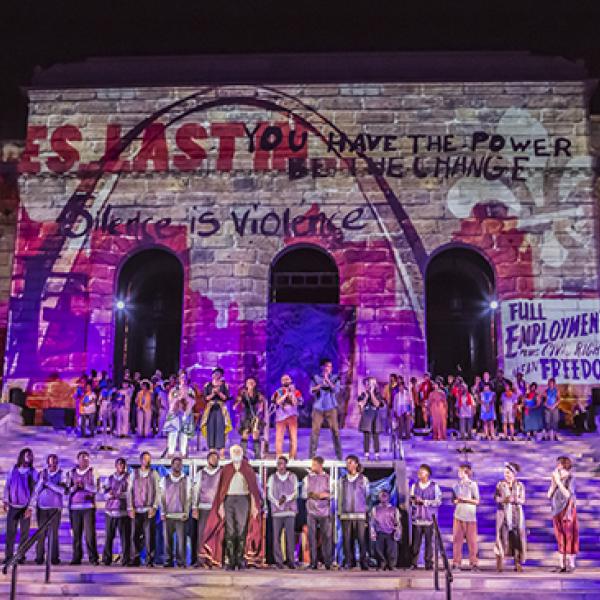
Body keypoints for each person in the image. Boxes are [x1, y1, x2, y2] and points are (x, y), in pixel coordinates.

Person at [201, 445, 263, 570]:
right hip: (229, 500)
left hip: (243, 499)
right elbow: (221, 490)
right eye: (234, 451)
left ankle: (240, 560)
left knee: (241, 530)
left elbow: (252, 489)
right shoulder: (227, 469)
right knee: (230, 530)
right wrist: (221, 506)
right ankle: (230, 560)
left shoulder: (247, 468)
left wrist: (254, 506)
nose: (236, 453)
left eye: (238, 451)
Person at [3, 448, 38, 565]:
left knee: (24, 533)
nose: (28, 458)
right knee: (10, 533)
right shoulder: (13, 469)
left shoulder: (33, 472)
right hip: (13, 506)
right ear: (22, 456)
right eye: (26, 455)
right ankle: (8, 556)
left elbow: (35, 491)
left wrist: (30, 507)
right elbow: (7, 485)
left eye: (30, 456)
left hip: (25, 507)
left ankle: (20, 555)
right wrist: (6, 500)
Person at [30, 453, 65, 565]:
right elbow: (36, 490)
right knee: (41, 533)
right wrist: (41, 482)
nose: (52, 465)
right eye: (50, 463)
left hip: (55, 508)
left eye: (54, 463)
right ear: (47, 463)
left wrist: (48, 484)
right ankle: (39, 557)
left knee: (54, 534)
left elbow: (63, 490)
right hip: (42, 507)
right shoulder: (42, 474)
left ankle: (54, 558)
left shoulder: (61, 474)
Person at [127, 451, 160, 567]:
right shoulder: (134, 473)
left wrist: (155, 506)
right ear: (140, 460)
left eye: (148, 459)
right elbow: (129, 491)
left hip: (148, 510)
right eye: (145, 459)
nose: (147, 461)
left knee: (149, 536)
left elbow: (158, 491)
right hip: (136, 509)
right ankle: (134, 558)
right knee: (134, 535)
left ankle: (150, 560)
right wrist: (130, 507)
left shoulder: (154, 473)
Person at [338, 455, 369, 570]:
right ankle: (349, 562)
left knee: (361, 539)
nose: (348, 465)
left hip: (359, 514)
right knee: (347, 540)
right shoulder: (342, 480)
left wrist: (366, 512)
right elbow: (340, 497)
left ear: (356, 464)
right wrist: (340, 512)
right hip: (346, 514)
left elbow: (367, 496)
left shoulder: (363, 479)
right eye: (347, 463)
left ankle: (363, 562)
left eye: (350, 462)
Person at [548, 456, 579, 573]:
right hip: (556, 510)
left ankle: (570, 564)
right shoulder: (557, 479)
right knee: (559, 536)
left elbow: (568, 494)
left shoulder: (571, 478)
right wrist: (554, 483)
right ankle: (562, 565)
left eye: (559, 464)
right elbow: (549, 494)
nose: (557, 466)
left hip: (567, 510)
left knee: (570, 536)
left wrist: (559, 482)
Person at [494, 462, 526, 572]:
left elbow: (523, 500)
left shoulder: (520, 486)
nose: (506, 475)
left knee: (517, 540)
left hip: (516, 515)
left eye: (508, 473)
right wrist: (504, 500)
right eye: (505, 473)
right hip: (504, 515)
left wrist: (515, 500)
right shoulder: (500, 485)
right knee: (502, 538)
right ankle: (500, 563)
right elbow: (496, 498)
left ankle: (518, 563)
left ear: (514, 473)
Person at [68, 450, 99, 565]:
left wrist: (85, 486)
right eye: (82, 459)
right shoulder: (72, 473)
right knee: (76, 534)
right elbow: (67, 490)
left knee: (90, 534)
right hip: (75, 507)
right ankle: (76, 557)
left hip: (88, 507)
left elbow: (96, 489)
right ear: (78, 460)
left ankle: (93, 558)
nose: (85, 461)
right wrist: (75, 487)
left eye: (86, 459)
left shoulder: (93, 472)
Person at [267, 456, 299, 569]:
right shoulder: (272, 477)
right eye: (278, 463)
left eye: (282, 463)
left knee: (290, 537)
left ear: (286, 465)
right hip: (277, 512)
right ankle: (278, 561)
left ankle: (291, 560)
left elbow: (295, 492)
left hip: (289, 511)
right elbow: (269, 494)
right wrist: (277, 502)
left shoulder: (292, 477)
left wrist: (287, 499)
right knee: (276, 537)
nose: (280, 466)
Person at [192, 450, 222, 568]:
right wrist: (195, 507)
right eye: (212, 458)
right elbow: (196, 491)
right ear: (208, 460)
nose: (214, 460)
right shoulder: (201, 474)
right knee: (202, 534)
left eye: (216, 458)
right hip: (203, 507)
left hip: (216, 508)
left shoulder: (221, 473)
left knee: (215, 535)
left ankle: (214, 559)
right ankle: (201, 560)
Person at [161, 456, 192, 568]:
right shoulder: (165, 479)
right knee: (167, 541)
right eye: (175, 464)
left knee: (181, 541)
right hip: (168, 514)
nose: (177, 466)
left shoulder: (186, 479)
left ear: (182, 466)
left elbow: (189, 497)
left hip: (181, 515)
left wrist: (186, 512)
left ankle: (181, 562)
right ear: (172, 465)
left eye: (179, 464)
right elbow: (162, 496)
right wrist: (162, 512)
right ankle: (168, 561)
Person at [410, 464, 442, 570]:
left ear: (427, 473)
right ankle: (413, 563)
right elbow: (411, 500)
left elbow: (438, 501)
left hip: (429, 518)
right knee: (415, 543)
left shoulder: (434, 486)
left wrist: (425, 502)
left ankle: (428, 563)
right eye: (419, 472)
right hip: (417, 519)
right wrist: (414, 502)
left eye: (422, 472)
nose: (420, 473)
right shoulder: (414, 486)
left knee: (429, 542)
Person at [302, 455, 332, 570]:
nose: (312, 466)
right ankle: (313, 562)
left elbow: (333, 494)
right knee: (311, 538)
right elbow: (303, 494)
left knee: (326, 537)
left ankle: (327, 562)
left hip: (324, 512)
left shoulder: (328, 478)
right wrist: (311, 495)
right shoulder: (307, 478)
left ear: (320, 465)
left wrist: (324, 495)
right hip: (311, 511)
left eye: (314, 464)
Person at [309, 359, 342, 460]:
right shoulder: (316, 378)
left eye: (330, 367)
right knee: (315, 431)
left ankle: (339, 456)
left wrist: (328, 381)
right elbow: (311, 390)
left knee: (335, 431)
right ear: (322, 367)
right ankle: (311, 456)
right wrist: (320, 385)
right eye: (327, 366)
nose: (329, 369)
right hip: (318, 408)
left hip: (331, 407)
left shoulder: (335, 378)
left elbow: (336, 390)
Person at [101, 457, 131, 566]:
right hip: (110, 512)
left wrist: (120, 495)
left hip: (123, 512)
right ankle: (106, 558)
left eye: (123, 465)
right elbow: (103, 494)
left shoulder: (129, 478)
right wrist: (110, 495)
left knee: (125, 538)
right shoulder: (109, 479)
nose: (121, 467)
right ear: (116, 466)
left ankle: (125, 559)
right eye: (119, 465)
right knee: (109, 536)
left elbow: (131, 493)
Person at [451, 463, 480, 571]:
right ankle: (456, 563)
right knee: (457, 540)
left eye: (460, 471)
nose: (459, 473)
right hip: (458, 515)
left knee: (472, 542)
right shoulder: (456, 485)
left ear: (466, 472)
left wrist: (465, 499)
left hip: (470, 516)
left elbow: (477, 501)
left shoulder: (473, 485)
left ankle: (474, 563)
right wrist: (457, 500)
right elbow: (453, 500)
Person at [200, 368, 232, 458]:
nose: (216, 375)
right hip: (210, 408)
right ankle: (212, 451)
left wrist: (219, 392)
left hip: (221, 408)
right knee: (211, 428)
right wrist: (213, 393)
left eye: (218, 374)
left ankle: (221, 451)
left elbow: (226, 398)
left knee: (221, 428)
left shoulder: (225, 385)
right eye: (214, 374)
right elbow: (205, 398)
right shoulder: (208, 385)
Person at [271, 374, 303, 460]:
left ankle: (292, 456)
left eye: (287, 379)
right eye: (284, 379)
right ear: (281, 382)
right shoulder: (279, 391)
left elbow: (297, 402)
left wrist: (292, 394)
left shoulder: (296, 391)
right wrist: (286, 394)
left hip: (292, 416)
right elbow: (277, 402)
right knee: (279, 438)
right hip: (281, 417)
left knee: (293, 438)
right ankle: (279, 457)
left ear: (290, 381)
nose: (286, 381)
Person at [165, 372, 197, 457]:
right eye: (182, 377)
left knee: (184, 434)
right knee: (173, 433)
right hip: (175, 413)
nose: (183, 379)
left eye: (185, 378)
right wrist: (178, 399)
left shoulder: (190, 390)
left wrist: (186, 399)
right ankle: (170, 453)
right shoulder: (174, 390)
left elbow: (193, 401)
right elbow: (170, 400)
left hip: (185, 414)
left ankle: (183, 453)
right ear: (179, 379)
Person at [234, 377, 267, 459]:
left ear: (255, 384)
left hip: (255, 414)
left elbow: (262, 403)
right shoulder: (243, 393)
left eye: (252, 382)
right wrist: (236, 405)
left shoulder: (258, 393)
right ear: (246, 384)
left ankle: (257, 456)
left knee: (256, 434)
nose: (251, 384)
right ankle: (243, 456)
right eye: (249, 382)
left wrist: (261, 408)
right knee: (245, 434)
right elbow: (238, 402)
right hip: (245, 415)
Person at [370, 490, 401, 571]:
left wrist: (397, 532)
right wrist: (372, 532)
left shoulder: (394, 509)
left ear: (389, 497)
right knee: (379, 550)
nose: (383, 497)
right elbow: (372, 521)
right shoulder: (375, 509)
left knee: (392, 550)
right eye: (381, 496)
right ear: (379, 497)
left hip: (391, 532)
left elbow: (397, 522)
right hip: (379, 532)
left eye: (385, 496)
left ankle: (392, 565)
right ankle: (382, 564)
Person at [357, 376, 385, 460]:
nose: (370, 385)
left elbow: (377, 404)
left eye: (373, 383)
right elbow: (361, 406)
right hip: (366, 417)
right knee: (366, 436)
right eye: (369, 383)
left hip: (375, 417)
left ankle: (377, 454)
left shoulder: (378, 394)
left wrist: (372, 393)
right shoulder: (363, 394)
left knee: (375, 435)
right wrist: (366, 396)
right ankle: (366, 454)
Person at [391, 376, 413, 441]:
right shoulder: (397, 395)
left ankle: (407, 436)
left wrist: (410, 411)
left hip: (406, 408)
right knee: (400, 423)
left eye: (401, 386)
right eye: (399, 387)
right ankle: (400, 436)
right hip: (399, 409)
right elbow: (394, 403)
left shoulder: (407, 393)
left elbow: (410, 402)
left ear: (403, 387)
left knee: (407, 424)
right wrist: (395, 411)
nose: (400, 388)